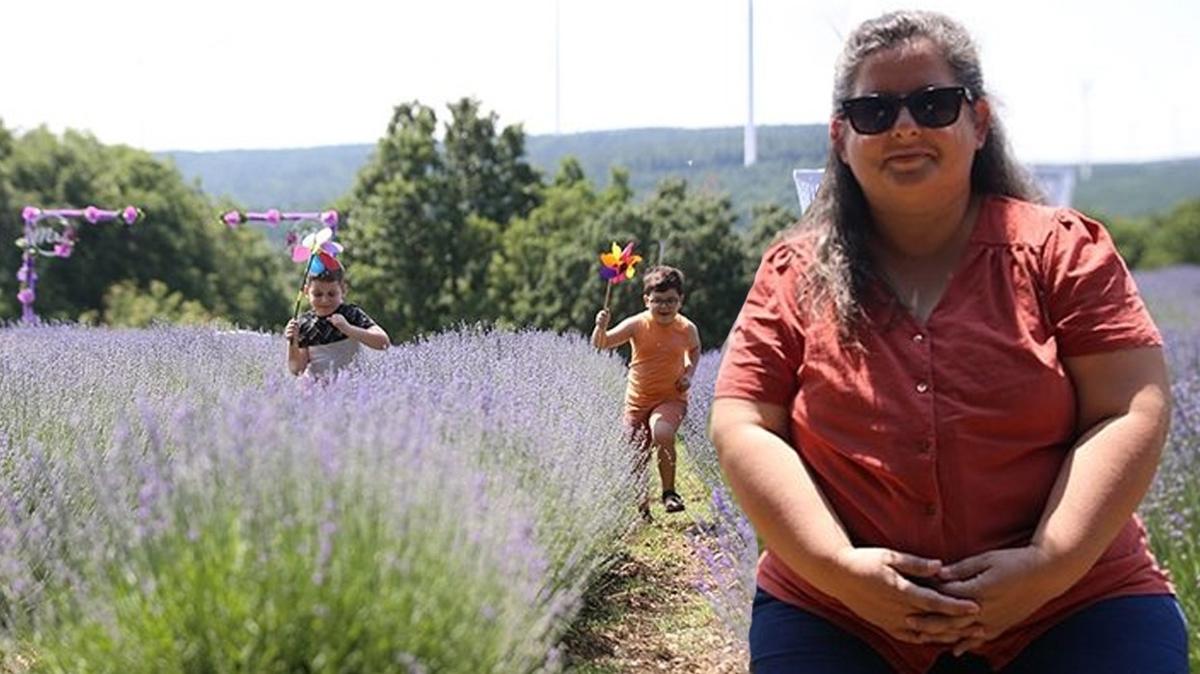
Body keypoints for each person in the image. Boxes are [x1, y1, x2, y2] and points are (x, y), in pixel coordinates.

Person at [709, 10, 1186, 674]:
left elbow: (1129, 406)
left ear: (978, 120)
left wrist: (1049, 564)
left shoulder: (1062, 251)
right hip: (841, 612)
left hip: (1073, 600)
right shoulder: (792, 274)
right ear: (841, 137)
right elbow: (743, 421)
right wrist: (838, 569)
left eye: (933, 104)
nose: (905, 126)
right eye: (874, 112)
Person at [593, 265, 702, 518]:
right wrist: (601, 326)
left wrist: (689, 373)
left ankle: (669, 493)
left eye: (671, 301)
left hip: (671, 397)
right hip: (637, 400)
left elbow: (695, 350)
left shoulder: (686, 328)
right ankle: (642, 507)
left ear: (681, 300)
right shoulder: (636, 324)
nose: (665, 307)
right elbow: (601, 344)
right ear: (646, 300)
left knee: (662, 431)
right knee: (635, 453)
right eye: (658, 301)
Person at [284, 267, 389, 377]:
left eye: (332, 294)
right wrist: (293, 342)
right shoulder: (304, 323)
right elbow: (297, 369)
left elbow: (383, 343)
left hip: (352, 387)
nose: (325, 300)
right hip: (317, 390)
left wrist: (348, 329)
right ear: (306, 292)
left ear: (343, 290)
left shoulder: (351, 314)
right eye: (318, 294)